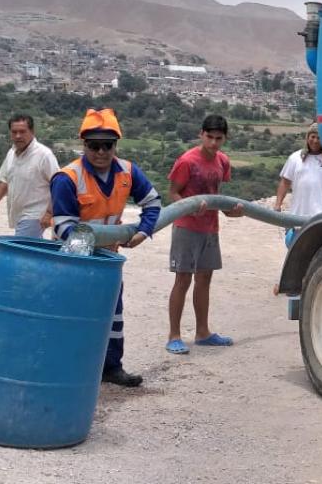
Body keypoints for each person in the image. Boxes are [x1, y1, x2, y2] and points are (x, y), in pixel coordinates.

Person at [51, 108, 162, 387]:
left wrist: (144, 231)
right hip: (74, 261)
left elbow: (153, 203)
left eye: (107, 145)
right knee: (73, 314)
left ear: (116, 145)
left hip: (108, 259)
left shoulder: (127, 171)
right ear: (84, 145)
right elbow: (64, 227)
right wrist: (109, 237)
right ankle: (68, 368)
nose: (101, 152)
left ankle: (111, 367)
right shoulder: (68, 178)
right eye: (94, 145)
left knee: (113, 314)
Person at [166, 115, 244, 355]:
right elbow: (173, 193)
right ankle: (174, 336)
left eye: (218, 138)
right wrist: (190, 205)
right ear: (201, 134)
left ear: (225, 138)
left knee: (204, 280)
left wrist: (233, 212)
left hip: (210, 228)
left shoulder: (223, 161)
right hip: (186, 227)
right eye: (209, 137)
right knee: (182, 280)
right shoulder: (187, 161)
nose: (213, 143)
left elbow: (216, 195)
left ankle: (203, 333)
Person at [0, 114, 58, 238]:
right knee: (31, 251)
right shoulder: (11, 153)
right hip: (17, 214)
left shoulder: (44, 155)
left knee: (20, 250)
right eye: (14, 132)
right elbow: (5, 182)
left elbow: (58, 184)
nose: (18, 136)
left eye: (22, 132)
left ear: (32, 131)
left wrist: (49, 212)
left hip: (35, 215)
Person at [274, 123, 322, 218]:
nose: (315, 141)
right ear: (307, 137)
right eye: (313, 137)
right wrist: (278, 205)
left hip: (320, 215)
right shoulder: (295, 158)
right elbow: (285, 182)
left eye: (319, 138)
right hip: (296, 214)